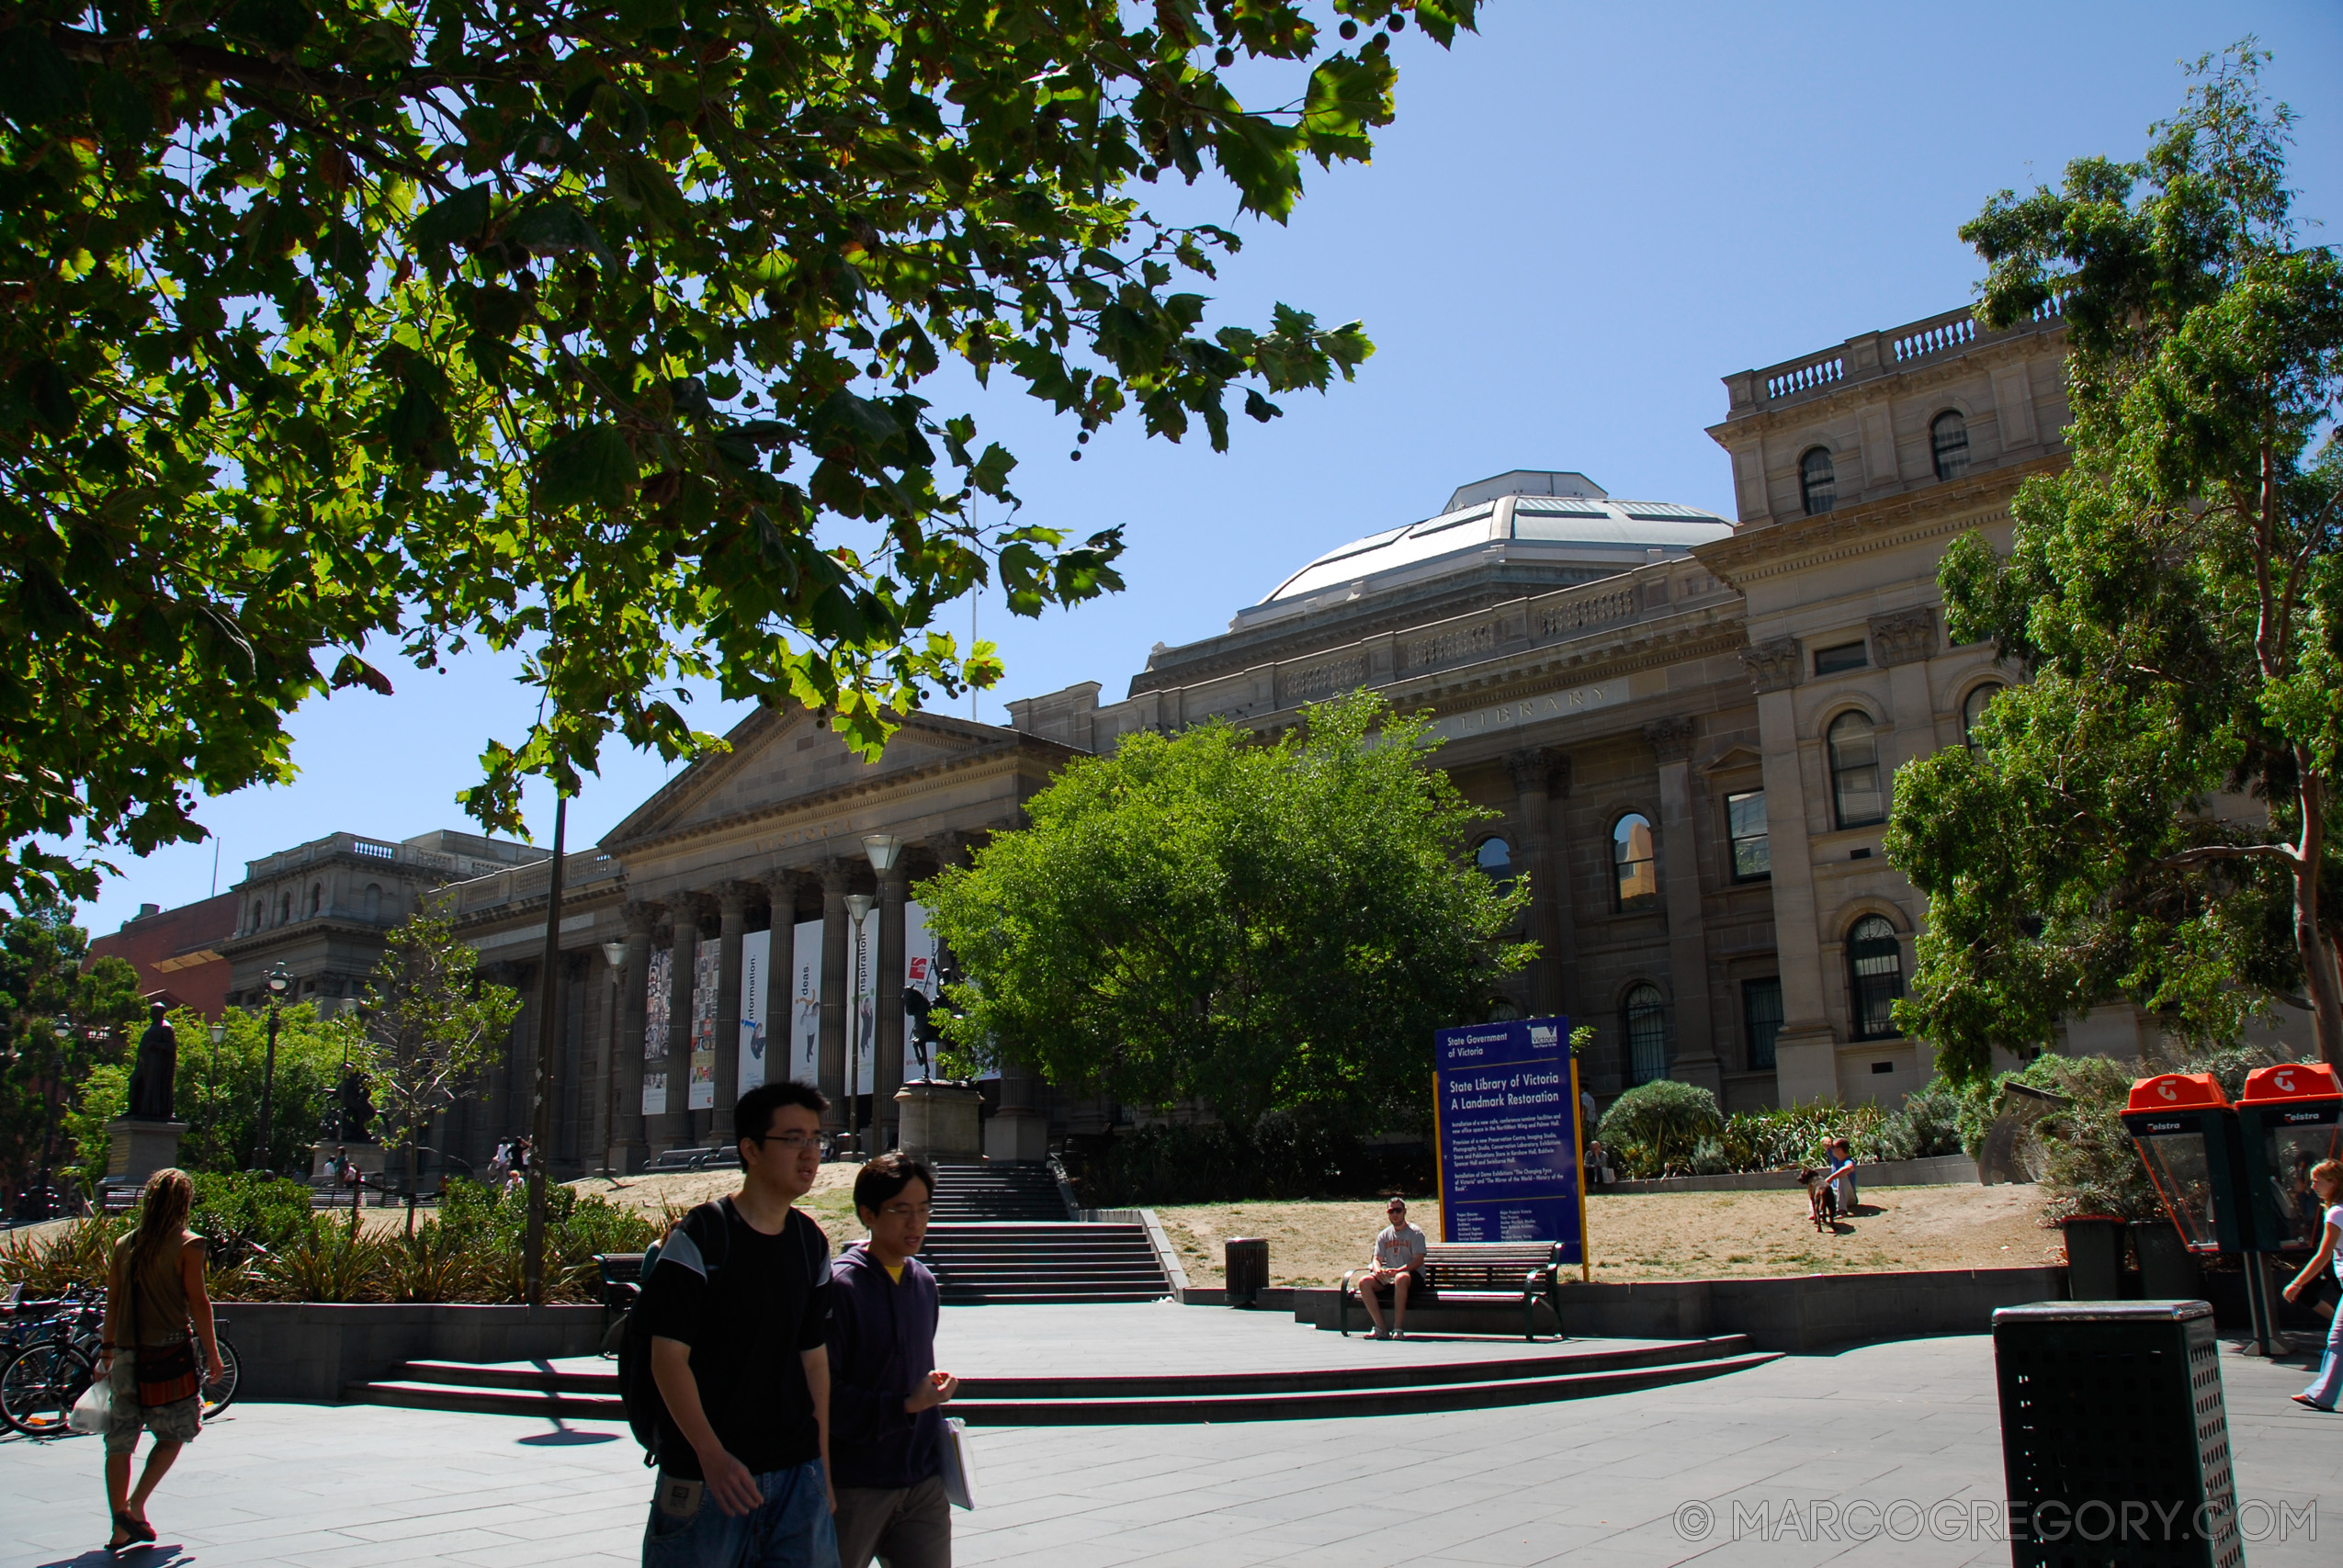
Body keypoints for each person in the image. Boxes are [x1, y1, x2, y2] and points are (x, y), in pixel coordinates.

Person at [638, 1080, 839, 1567]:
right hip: (709, 1479)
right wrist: (710, 1453)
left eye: (815, 1139)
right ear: (750, 1148)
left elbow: (814, 1362)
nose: (809, 1153)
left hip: (797, 1475)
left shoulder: (812, 1243)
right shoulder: (701, 1237)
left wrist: (823, 1470)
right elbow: (668, 1358)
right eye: (793, 1139)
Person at [828, 1154, 957, 1568]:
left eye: (923, 1210)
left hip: (921, 1480)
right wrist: (903, 1404)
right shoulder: (840, 1288)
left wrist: (927, 1391)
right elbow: (823, 1394)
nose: (915, 1223)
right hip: (856, 1483)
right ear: (868, 1214)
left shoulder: (922, 1282)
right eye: (901, 1210)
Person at [96, 1168, 224, 1553]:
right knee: (174, 1433)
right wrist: (214, 1353)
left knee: (119, 1440)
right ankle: (135, 1505)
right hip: (169, 1354)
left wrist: (106, 1350)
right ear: (184, 1203)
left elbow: (113, 1301)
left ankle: (120, 1525)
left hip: (126, 1354)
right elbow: (199, 1303)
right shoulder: (189, 1245)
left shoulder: (124, 1244)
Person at [2283, 1158, 2343, 1410]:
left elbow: (2323, 1255)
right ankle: (2321, 1393)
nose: (2313, 1185)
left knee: (2338, 1339)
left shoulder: (2336, 1212)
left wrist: (2297, 1284)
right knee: (2338, 1339)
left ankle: (2321, 1394)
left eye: (2318, 1180)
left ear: (2335, 1182)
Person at [1356, 1198, 1428, 1340]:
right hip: (1390, 1278)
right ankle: (1380, 1328)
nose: (1395, 1214)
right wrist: (1378, 1270)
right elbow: (1376, 1259)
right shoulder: (1384, 1235)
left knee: (1401, 1278)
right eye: (1391, 1211)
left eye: (1398, 1210)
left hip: (1412, 1278)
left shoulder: (1415, 1233)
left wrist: (1399, 1271)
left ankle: (1398, 1328)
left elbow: (1418, 1260)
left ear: (1404, 1212)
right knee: (1364, 1281)